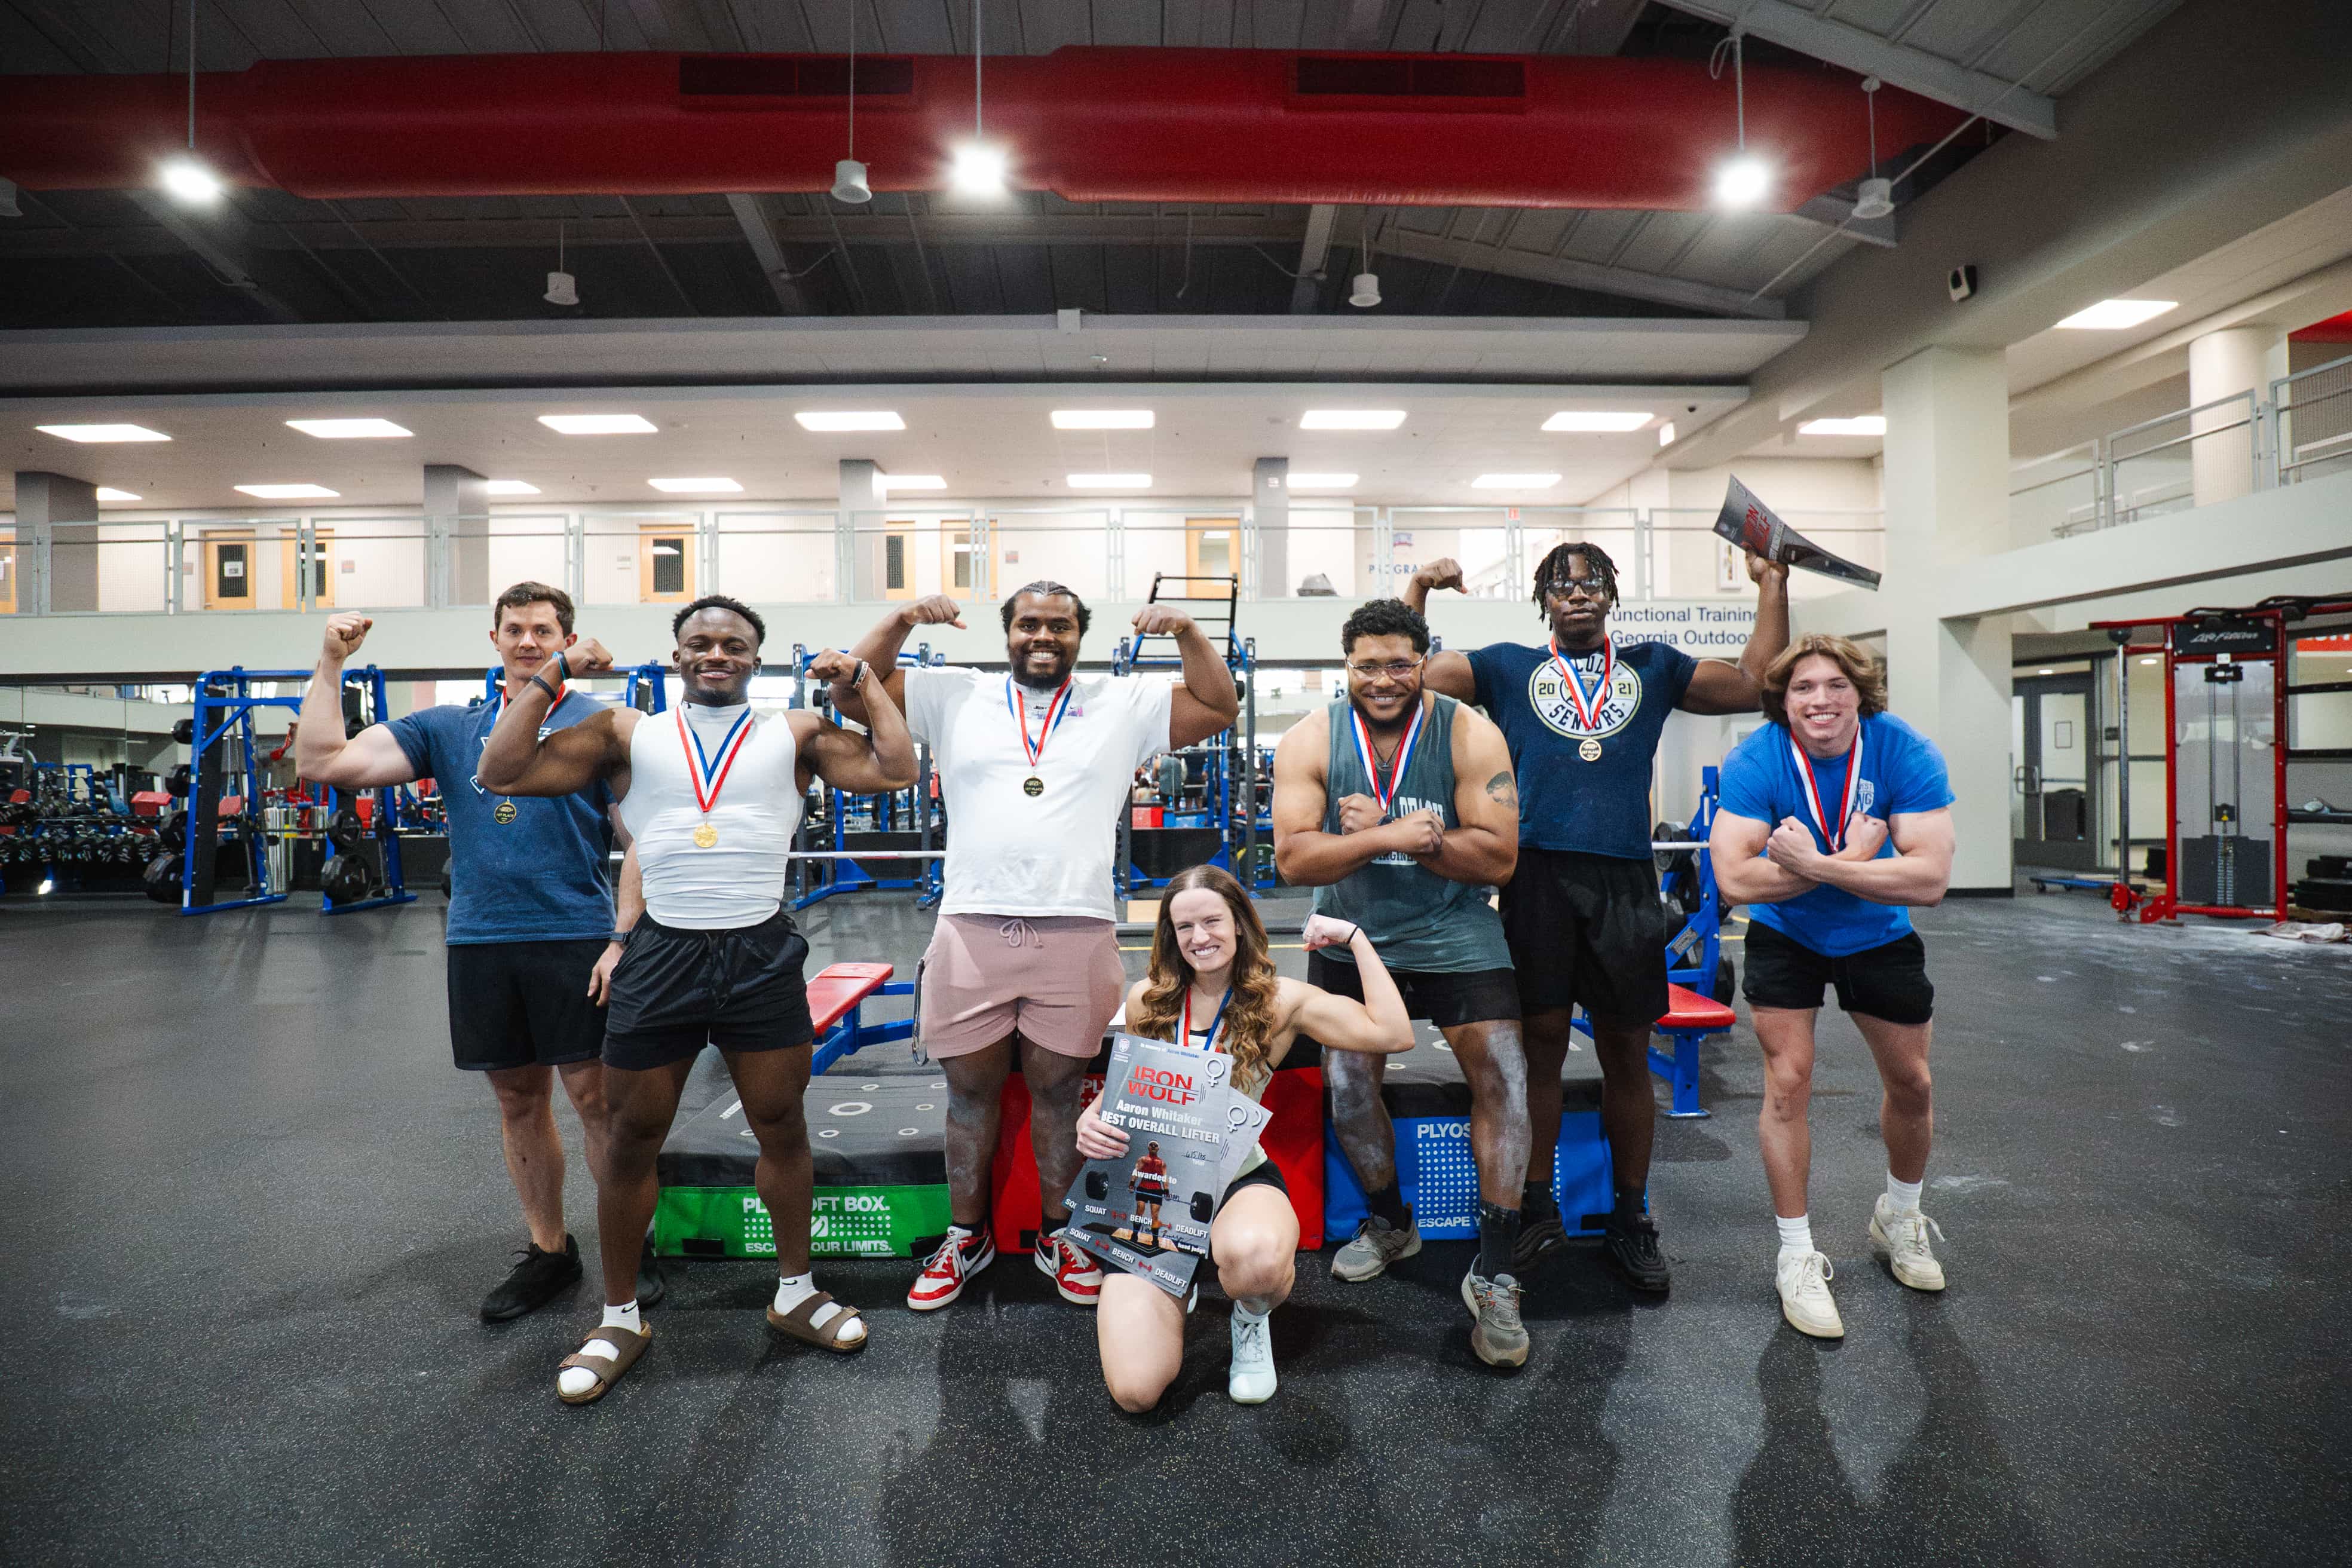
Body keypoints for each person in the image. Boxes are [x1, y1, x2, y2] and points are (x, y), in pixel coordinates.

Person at [477, 594, 917, 1401]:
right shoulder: (627, 733)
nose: (717, 653)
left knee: (781, 1126)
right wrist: (556, 671)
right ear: (678, 657)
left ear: (756, 656)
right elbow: (498, 771)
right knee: (632, 1136)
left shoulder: (793, 732)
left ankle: (794, 1293)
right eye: (701, 644)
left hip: (758, 952)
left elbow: (897, 767)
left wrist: (860, 677)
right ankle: (616, 1317)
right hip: (664, 953)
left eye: (735, 644)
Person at [829, 583, 1239, 1313]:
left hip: (1075, 929)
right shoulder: (954, 692)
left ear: (1081, 634)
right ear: (1007, 631)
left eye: (1059, 624)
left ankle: (1062, 1235)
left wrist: (1187, 631)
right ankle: (966, 1236)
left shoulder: (1123, 702)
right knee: (968, 1094)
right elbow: (853, 693)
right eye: (1028, 623)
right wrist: (895, 617)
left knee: (1059, 1094)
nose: (1042, 635)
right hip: (973, 927)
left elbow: (1218, 705)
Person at [1403, 540, 1789, 1293]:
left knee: (1624, 1050)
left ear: (1611, 593)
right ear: (1542, 598)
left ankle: (1629, 1215)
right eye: (1560, 583)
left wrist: (1772, 582)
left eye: (1589, 583)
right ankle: (1539, 1205)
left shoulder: (1653, 665)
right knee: (1542, 1047)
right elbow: (1411, 673)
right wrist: (1418, 586)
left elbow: (1753, 684)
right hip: (1535, 877)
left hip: (1622, 883)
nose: (1575, 593)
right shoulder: (1508, 666)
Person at [295, 583, 654, 1324]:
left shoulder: (607, 724)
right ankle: (550, 1252)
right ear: (494, 640)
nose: (528, 641)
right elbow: (324, 761)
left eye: (544, 630)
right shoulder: (449, 728)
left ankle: (630, 1243)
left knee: (596, 1100)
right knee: (518, 1098)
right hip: (483, 938)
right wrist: (330, 662)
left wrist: (623, 937)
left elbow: (645, 839)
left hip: (575, 936)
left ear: (566, 638)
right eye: (515, 629)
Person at [1271, 599, 1531, 1368]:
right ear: (1344, 664)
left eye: (1399, 663)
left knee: (1508, 1079)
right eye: (1366, 665)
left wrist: (1394, 838)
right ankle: (1390, 1220)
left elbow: (1499, 859)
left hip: (1454, 929)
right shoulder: (1311, 736)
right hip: (1352, 935)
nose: (1383, 680)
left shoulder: (1469, 731)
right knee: (1349, 1085)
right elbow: (1293, 860)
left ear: (1424, 659)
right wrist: (1393, 831)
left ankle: (1496, 1268)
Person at [1080, 865, 1414, 1409]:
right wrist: (1090, 1118)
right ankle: (1176, 1282)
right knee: (1136, 1392)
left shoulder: (1280, 1001)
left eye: (1212, 921)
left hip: (1237, 1180)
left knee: (1255, 1260)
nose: (1200, 937)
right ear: (1170, 933)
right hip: (1153, 1195)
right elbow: (1124, 1092)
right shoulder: (1148, 1000)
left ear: (1239, 924)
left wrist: (1356, 940)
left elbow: (1394, 1034)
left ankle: (1251, 1320)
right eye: (1184, 926)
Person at [1707, 634, 1955, 1340]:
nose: (1821, 699)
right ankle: (1795, 1253)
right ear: (1783, 701)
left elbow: (1930, 878)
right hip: (1787, 936)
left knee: (1913, 1083)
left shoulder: (1902, 750)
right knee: (1788, 1084)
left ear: (1861, 693)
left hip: (1878, 935)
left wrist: (1819, 862)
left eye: (1836, 685)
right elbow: (1734, 878)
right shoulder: (1757, 758)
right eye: (1803, 688)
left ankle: (1899, 1216)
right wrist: (1856, 856)